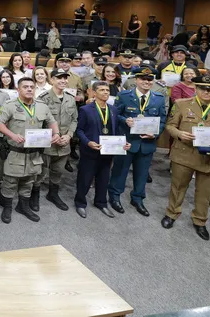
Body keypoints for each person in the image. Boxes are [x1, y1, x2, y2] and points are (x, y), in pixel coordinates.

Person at [162, 74, 210, 240]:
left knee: (205, 193)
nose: (207, 92)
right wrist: (179, 133)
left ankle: (200, 221)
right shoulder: (181, 105)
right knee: (178, 187)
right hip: (184, 155)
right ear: (195, 88)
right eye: (203, 88)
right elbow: (170, 125)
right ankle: (172, 213)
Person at [0, 77, 59, 223]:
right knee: (10, 181)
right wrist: (12, 135)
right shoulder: (10, 105)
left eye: (32, 87)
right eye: (25, 87)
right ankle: (8, 207)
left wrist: (56, 134)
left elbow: (52, 121)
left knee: (29, 181)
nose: (29, 89)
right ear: (18, 90)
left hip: (34, 153)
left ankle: (23, 206)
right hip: (15, 152)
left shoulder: (42, 106)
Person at [109, 67, 166, 217]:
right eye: (143, 79)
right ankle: (115, 196)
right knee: (120, 171)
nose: (146, 82)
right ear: (136, 80)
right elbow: (115, 114)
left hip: (147, 143)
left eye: (149, 80)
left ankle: (138, 198)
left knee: (142, 173)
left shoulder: (159, 98)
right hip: (127, 140)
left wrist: (155, 133)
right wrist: (124, 120)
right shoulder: (124, 95)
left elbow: (163, 120)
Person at [75, 82, 129, 219]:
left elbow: (115, 130)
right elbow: (79, 130)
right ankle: (80, 202)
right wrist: (88, 142)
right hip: (90, 150)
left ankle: (101, 202)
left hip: (108, 150)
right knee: (85, 178)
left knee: (104, 178)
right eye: (101, 90)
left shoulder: (113, 109)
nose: (105, 92)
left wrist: (123, 142)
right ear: (94, 93)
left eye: (107, 90)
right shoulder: (85, 109)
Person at [35, 70, 77, 211]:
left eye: (65, 78)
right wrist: (52, 136)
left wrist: (69, 135)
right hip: (48, 143)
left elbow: (74, 120)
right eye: (59, 78)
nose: (63, 81)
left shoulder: (70, 98)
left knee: (58, 172)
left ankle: (53, 194)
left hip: (64, 143)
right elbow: (37, 122)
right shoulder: (43, 98)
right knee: (40, 172)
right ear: (52, 80)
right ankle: (34, 196)